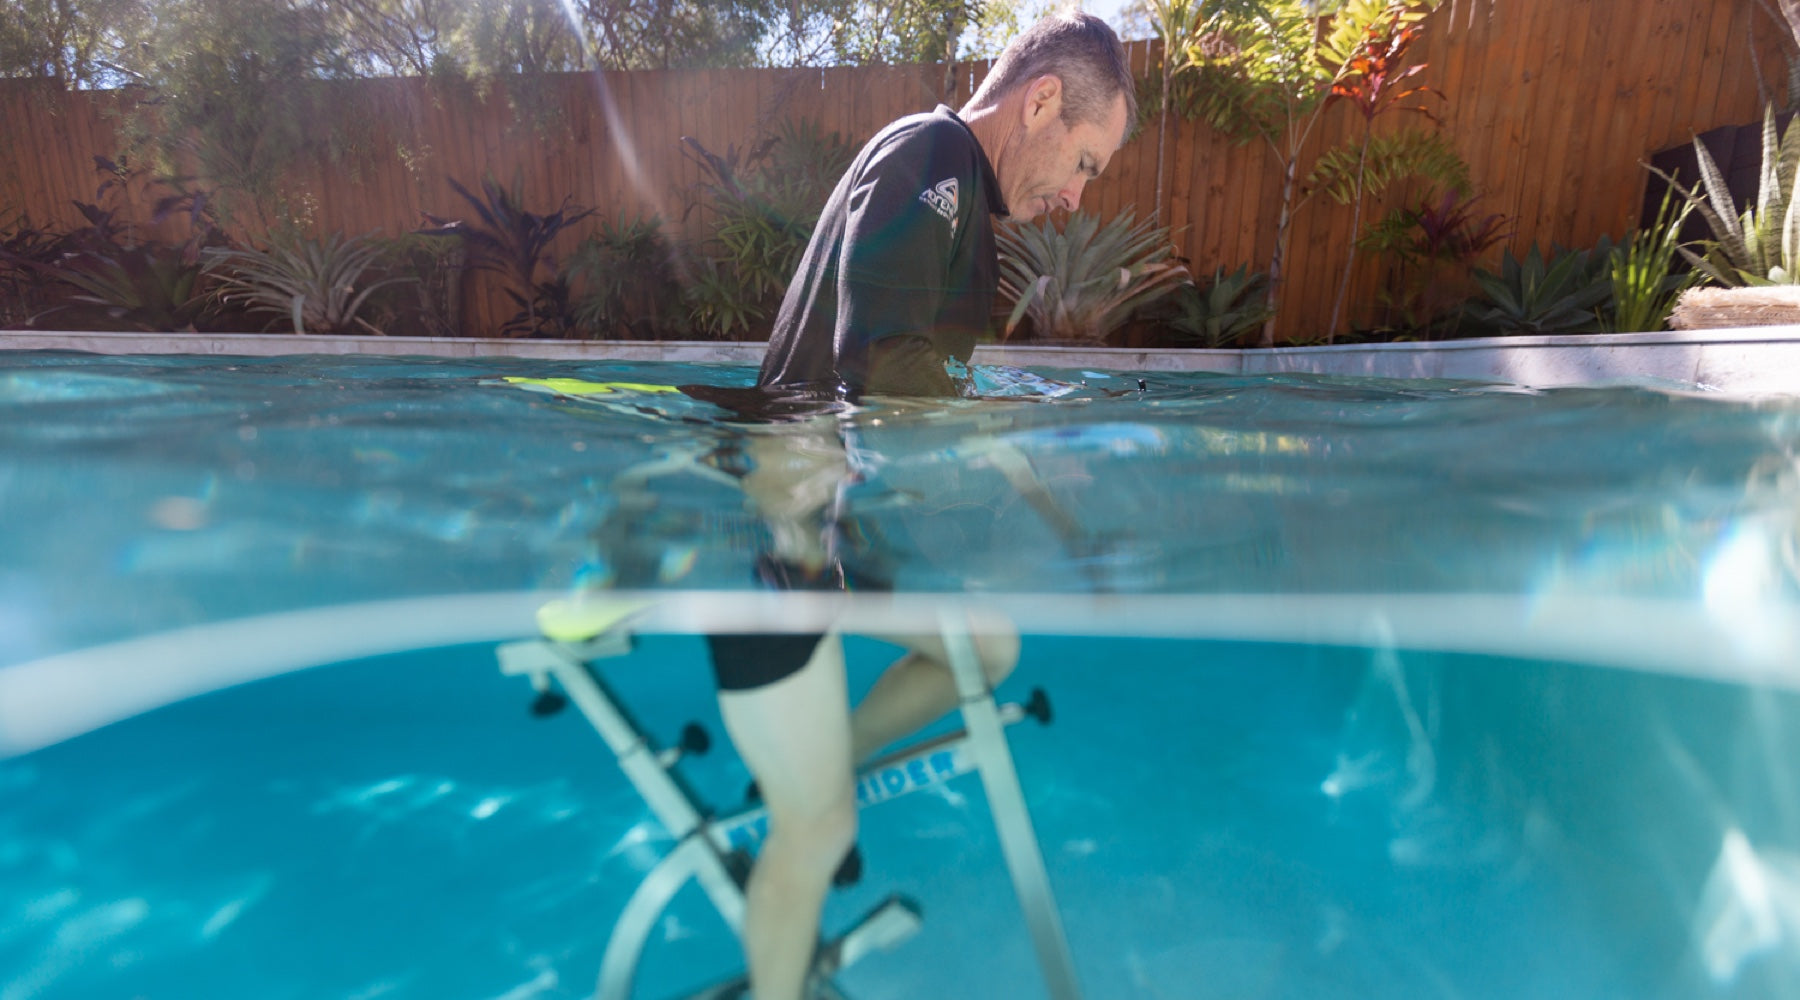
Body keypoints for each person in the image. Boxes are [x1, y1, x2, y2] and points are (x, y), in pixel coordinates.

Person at [698, 12, 1137, 999]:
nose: (1074, 196)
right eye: (1085, 163)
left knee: (985, 648)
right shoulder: (933, 152)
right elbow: (883, 366)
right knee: (818, 833)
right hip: (782, 540)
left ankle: (826, 769)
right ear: (1042, 102)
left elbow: (939, 392)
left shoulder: (960, 213)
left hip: (836, 538)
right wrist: (1010, 442)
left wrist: (1073, 532)